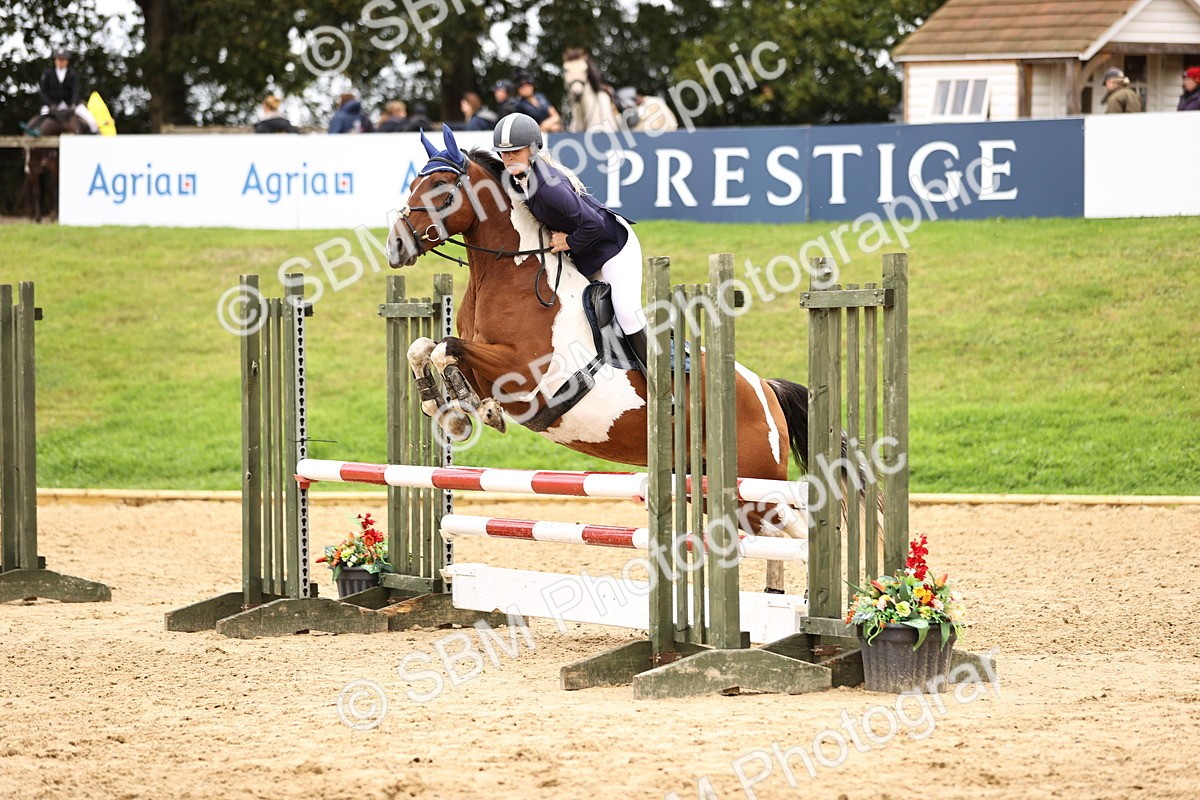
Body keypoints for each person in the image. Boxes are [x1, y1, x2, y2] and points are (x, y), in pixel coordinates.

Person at [492, 112, 647, 367]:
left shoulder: (551, 187)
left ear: (532, 150)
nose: (508, 158)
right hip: (589, 253)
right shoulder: (520, 178)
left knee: (627, 314)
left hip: (614, 249)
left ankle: (661, 381)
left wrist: (569, 242)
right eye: (503, 153)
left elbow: (594, 223)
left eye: (515, 151)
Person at [38, 48, 99, 133]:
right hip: (53, 105)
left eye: (63, 60)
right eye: (59, 59)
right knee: (40, 120)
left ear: (67, 61)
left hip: (70, 104)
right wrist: (50, 104)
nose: (61, 62)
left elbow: (76, 90)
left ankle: (95, 133)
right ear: (55, 60)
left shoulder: (73, 74)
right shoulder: (47, 73)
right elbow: (43, 92)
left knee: (92, 121)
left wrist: (73, 103)